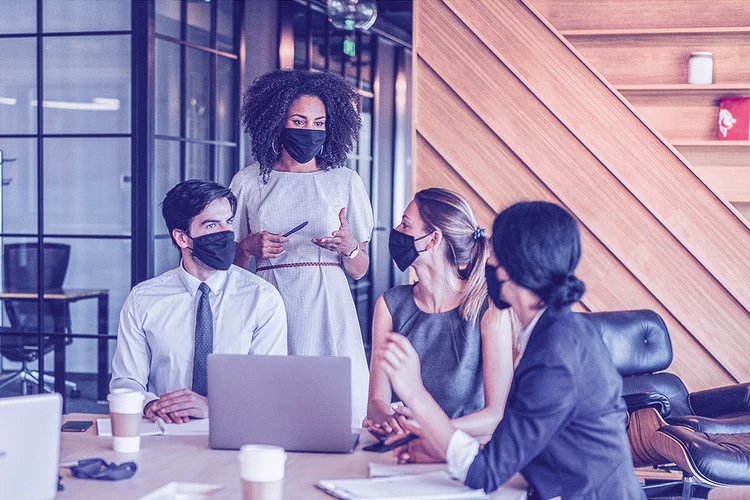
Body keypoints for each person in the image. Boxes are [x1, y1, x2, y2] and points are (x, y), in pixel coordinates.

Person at [379, 201, 644, 499]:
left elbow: (484, 474)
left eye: (493, 254)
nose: (487, 260)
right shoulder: (559, 332)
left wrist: (415, 393)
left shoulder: (555, 354)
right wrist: (442, 449)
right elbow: (525, 442)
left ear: (509, 267)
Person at [230, 69, 373, 425]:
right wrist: (248, 245)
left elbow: (360, 269)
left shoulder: (345, 181)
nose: (309, 129)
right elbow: (229, 270)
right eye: (299, 119)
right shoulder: (249, 181)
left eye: (319, 122)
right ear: (277, 120)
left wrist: (350, 247)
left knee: (336, 404)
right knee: (275, 401)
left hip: (330, 302)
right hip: (270, 297)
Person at [110, 180, 287, 424]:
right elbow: (125, 379)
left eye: (229, 222)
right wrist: (149, 404)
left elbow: (268, 383)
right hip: (165, 429)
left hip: (239, 425)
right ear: (183, 238)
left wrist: (210, 405)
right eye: (212, 224)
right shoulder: (143, 300)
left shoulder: (262, 298)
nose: (225, 233)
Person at [365, 188, 515, 443]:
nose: (397, 230)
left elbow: (495, 414)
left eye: (405, 224)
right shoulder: (390, 305)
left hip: (466, 454)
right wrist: (387, 421)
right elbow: (376, 402)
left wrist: (428, 429)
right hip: (401, 449)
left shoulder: (489, 308)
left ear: (432, 239)